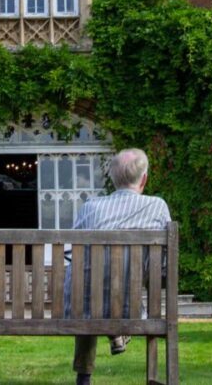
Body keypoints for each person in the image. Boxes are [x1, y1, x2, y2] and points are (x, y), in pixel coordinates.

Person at [67, 149, 172, 385]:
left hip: (84, 306)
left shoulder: (90, 207)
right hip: (130, 306)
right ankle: (149, 370)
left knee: (88, 290)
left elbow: (70, 253)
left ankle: (84, 376)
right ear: (143, 179)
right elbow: (163, 268)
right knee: (121, 292)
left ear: (112, 179)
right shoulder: (157, 206)